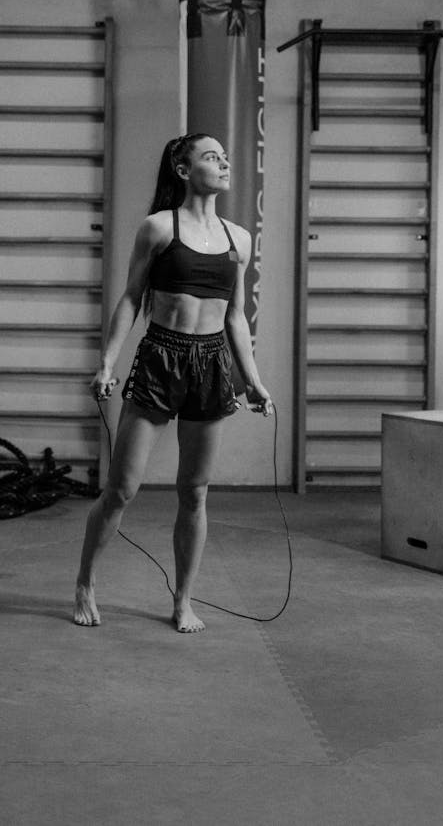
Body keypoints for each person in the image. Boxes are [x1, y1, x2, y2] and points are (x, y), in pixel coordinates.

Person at [73, 133, 273, 634]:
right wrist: (106, 363)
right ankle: (85, 583)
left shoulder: (240, 239)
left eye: (226, 157)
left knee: (196, 492)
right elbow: (130, 298)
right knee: (121, 489)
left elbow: (236, 318)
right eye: (212, 157)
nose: (224, 163)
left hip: (210, 366)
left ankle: (183, 599)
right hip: (161, 358)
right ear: (183, 171)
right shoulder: (159, 228)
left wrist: (253, 380)